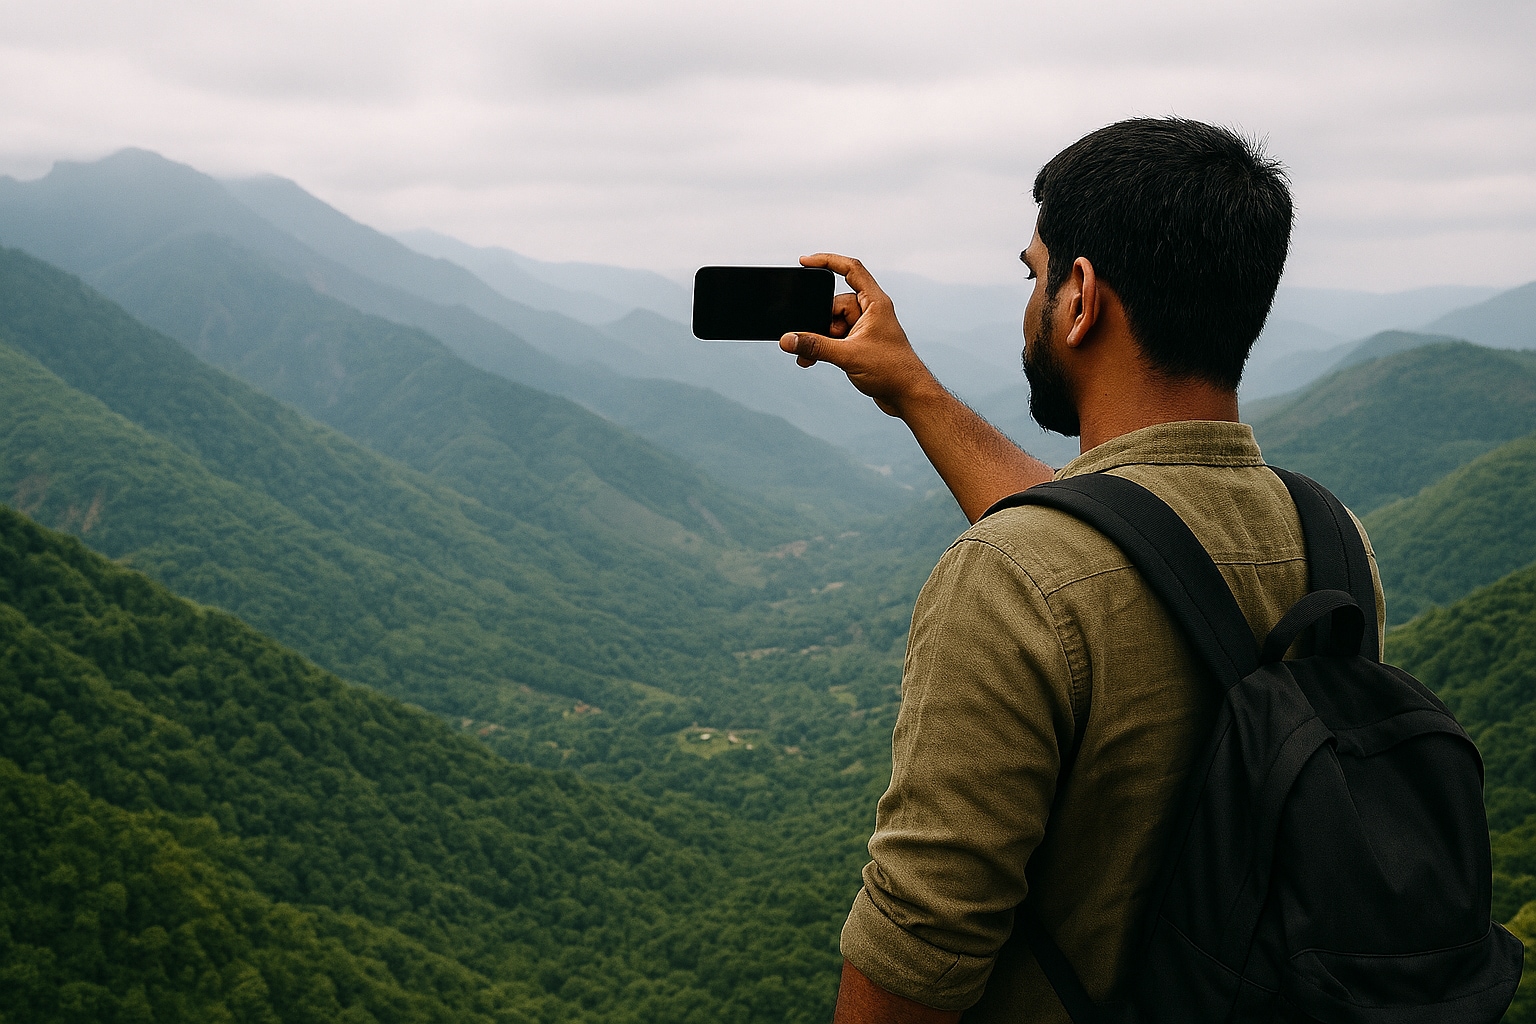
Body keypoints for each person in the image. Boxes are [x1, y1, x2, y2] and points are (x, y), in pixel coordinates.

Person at [777, 118, 1386, 1023]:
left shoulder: (1005, 582)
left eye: (1035, 274)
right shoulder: (1334, 543)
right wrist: (912, 387)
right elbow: (1129, 548)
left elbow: (917, 956)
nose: (1030, 301)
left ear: (1081, 297)